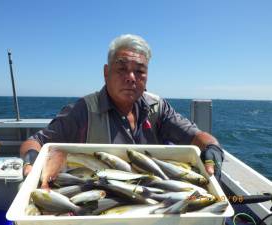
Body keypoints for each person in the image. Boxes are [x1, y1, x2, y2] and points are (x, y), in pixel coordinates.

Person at [20, 34, 224, 188]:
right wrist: (30, 161)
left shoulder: (157, 107)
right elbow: (35, 142)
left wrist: (212, 149)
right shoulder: (83, 111)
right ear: (106, 73)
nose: (131, 77)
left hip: (151, 198)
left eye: (139, 71)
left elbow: (197, 136)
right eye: (122, 69)